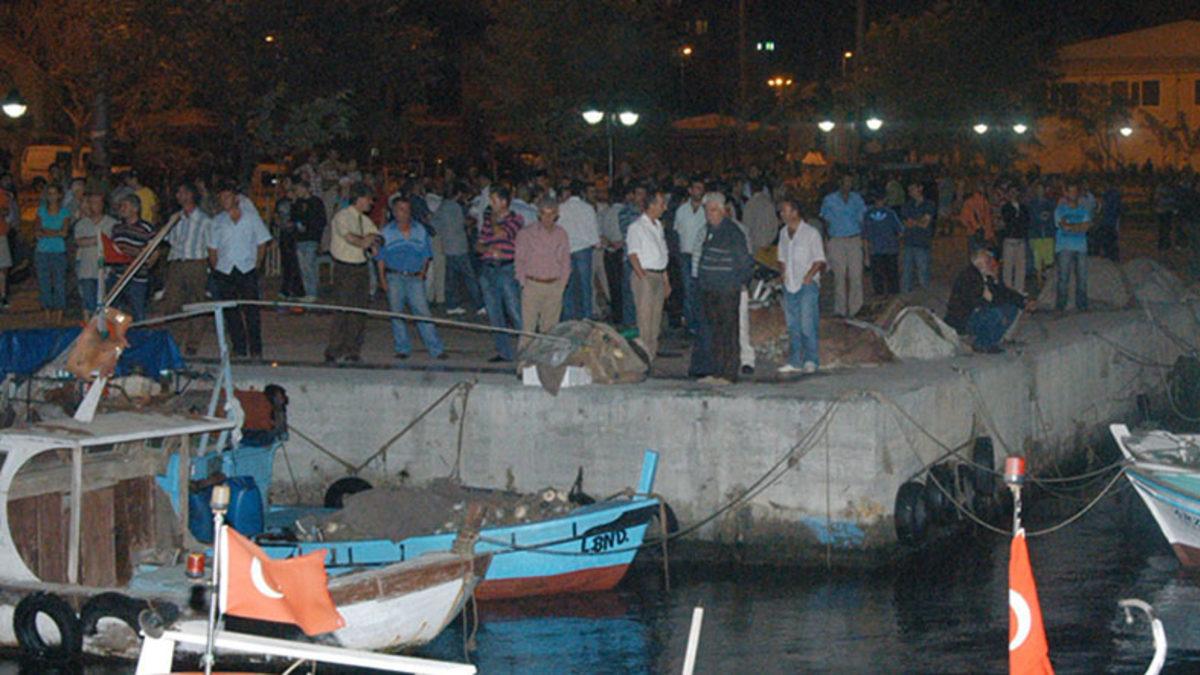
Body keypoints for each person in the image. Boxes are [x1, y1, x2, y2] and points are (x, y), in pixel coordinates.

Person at [375, 194, 445, 360]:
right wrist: (382, 280)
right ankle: (402, 348)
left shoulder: (419, 230)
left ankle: (436, 349)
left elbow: (427, 255)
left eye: (407, 210)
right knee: (397, 313)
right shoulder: (386, 232)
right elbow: (380, 259)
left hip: (414, 277)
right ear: (394, 212)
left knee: (423, 313)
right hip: (394, 276)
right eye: (400, 209)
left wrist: (422, 273)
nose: (404, 213)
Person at [208, 182, 272, 359]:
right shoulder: (217, 221)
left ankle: (256, 349)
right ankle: (239, 347)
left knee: (251, 311)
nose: (224, 201)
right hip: (225, 270)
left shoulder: (251, 217)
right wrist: (217, 268)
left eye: (227, 197)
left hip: (246, 268)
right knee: (231, 312)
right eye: (221, 198)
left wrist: (257, 265)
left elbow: (262, 242)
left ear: (236, 198)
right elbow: (212, 248)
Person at [696, 192, 753, 384]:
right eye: (706, 210)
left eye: (712, 210)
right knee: (715, 333)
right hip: (710, 289)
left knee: (728, 331)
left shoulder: (732, 232)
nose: (708, 214)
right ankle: (716, 371)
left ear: (722, 210)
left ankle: (728, 373)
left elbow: (744, 262)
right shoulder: (710, 230)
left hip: (727, 289)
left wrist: (737, 283)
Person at [324, 182, 381, 364]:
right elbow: (353, 239)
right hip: (345, 268)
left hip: (361, 267)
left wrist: (373, 241)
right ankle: (334, 350)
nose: (371, 203)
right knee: (343, 309)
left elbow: (377, 238)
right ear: (360, 198)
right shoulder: (343, 217)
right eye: (369, 199)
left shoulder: (365, 220)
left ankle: (353, 350)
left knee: (359, 311)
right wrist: (368, 241)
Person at [945, 249, 1033, 353]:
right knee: (996, 313)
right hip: (963, 319)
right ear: (979, 263)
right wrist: (997, 307)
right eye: (988, 261)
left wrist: (1023, 302)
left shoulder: (985, 275)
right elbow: (980, 302)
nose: (991, 264)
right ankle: (981, 344)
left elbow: (1003, 292)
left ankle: (990, 342)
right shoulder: (969, 276)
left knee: (1011, 308)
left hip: (976, 313)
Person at [515, 197, 571, 355]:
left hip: (554, 286)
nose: (548, 218)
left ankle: (545, 364)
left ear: (557, 214)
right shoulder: (526, 233)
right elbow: (519, 259)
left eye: (551, 214)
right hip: (532, 284)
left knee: (550, 329)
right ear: (538, 214)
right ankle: (523, 363)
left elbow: (565, 260)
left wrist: (562, 284)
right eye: (544, 214)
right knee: (528, 329)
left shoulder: (561, 234)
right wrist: (523, 282)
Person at [162, 181, 212, 355]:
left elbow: (211, 244)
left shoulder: (204, 220)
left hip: (196, 263)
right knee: (173, 303)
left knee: (196, 302)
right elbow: (169, 241)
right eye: (178, 193)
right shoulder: (176, 218)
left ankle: (193, 342)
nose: (178, 196)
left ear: (191, 195)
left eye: (182, 192)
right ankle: (173, 341)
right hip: (177, 263)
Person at [776, 197, 826, 374]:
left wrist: (809, 276)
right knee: (793, 324)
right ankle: (795, 360)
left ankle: (811, 359)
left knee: (807, 322)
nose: (782, 214)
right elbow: (781, 256)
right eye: (781, 211)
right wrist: (782, 273)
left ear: (795, 212)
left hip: (807, 284)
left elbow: (819, 259)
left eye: (785, 210)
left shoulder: (811, 233)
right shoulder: (783, 233)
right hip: (790, 284)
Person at [476, 186, 524, 362]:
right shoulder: (488, 222)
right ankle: (504, 351)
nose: (491, 204)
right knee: (494, 311)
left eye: (494, 200)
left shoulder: (516, 219)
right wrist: (487, 248)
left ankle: (527, 349)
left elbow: (502, 233)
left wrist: (493, 219)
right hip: (488, 268)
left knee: (514, 309)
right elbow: (478, 245)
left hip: (505, 268)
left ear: (504, 202)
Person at [626, 190, 671, 363]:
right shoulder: (636, 227)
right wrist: (642, 277)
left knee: (655, 321)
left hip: (658, 275)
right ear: (651, 205)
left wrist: (666, 280)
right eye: (661, 204)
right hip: (645, 275)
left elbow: (663, 253)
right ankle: (643, 357)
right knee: (644, 320)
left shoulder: (658, 226)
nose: (664, 208)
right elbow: (633, 255)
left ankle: (650, 356)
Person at [819, 175, 866, 318]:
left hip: (854, 239)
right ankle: (840, 310)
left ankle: (856, 309)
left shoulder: (857, 199)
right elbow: (825, 221)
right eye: (846, 182)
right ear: (840, 183)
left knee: (856, 275)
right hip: (837, 240)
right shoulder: (829, 200)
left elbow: (862, 219)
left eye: (850, 182)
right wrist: (828, 242)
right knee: (839, 276)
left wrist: (863, 241)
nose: (848, 184)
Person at [433, 182, 482, 316]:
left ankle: (452, 304)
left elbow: (435, 224)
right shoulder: (455, 207)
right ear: (458, 193)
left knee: (451, 278)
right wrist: (473, 221)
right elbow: (463, 223)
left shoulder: (441, 206)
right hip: (459, 247)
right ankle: (480, 304)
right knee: (470, 276)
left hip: (447, 246)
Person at [109, 193, 157, 321]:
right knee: (113, 309)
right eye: (121, 206)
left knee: (138, 309)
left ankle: (141, 334)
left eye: (125, 206)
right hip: (118, 276)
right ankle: (119, 334)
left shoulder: (146, 228)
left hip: (137, 277)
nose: (121, 209)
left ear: (135, 209)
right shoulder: (117, 228)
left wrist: (146, 267)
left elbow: (154, 252)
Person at [556, 181, 600, 321]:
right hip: (583, 249)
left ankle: (568, 317)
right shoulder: (588, 208)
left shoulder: (561, 208)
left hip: (566, 250)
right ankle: (586, 316)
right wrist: (596, 243)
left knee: (567, 286)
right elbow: (593, 230)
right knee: (585, 285)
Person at [72, 189, 115, 315]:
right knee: (88, 301)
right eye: (91, 203)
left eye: (97, 202)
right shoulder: (81, 224)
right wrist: (99, 239)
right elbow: (79, 242)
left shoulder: (112, 223)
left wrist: (91, 240)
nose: (93, 206)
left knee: (105, 302)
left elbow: (112, 243)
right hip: (86, 269)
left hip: (105, 270)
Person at [673, 178, 707, 333]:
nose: (698, 191)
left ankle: (701, 322)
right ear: (690, 190)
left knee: (700, 289)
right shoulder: (682, 210)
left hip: (701, 256)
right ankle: (690, 323)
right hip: (685, 254)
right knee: (688, 289)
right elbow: (678, 231)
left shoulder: (707, 210)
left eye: (701, 188)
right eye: (696, 188)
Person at [35, 183, 71, 322]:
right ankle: (47, 314)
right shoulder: (41, 211)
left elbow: (64, 232)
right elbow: (38, 231)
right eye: (49, 193)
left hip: (58, 251)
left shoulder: (64, 212)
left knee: (59, 283)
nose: (52, 197)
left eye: (54, 193)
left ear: (60, 195)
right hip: (42, 251)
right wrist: (55, 232)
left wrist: (47, 231)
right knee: (44, 283)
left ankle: (59, 315)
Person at [1054, 182, 1092, 313]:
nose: (1073, 194)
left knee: (1082, 278)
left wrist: (1072, 227)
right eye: (1070, 191)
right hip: (1064, 248)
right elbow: (1063, 226)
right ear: (1065, 193)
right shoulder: (1060, 210)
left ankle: (1082, 305)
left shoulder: (1083, 210)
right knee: (1063, 278)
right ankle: (1060, 306)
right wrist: (1078, 227)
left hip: (1081, 248)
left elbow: (1087, 227)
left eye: (1075, 191)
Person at [290, 179, 326, 301]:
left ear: (306, 189)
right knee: (303, 267)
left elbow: (321, 220)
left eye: (299, 189)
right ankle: (307, 292)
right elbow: (293, 218)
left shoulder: (316, 202)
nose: (297, 192)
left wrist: (317, 236)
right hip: (300, 239)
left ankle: (312, 292)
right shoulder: (298, 202)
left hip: (311, 238)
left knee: (310, 265)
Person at [863, 193, 902, 296]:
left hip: (887, 250)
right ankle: (883, 298)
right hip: (878, 250)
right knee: (881, 280)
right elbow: (865, 236)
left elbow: (900, 231)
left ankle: (890, 299)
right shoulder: (869, 214)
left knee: (890, 279)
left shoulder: (889, 213)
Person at [998, 187, 1031, 294]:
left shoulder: (1023, 207)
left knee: (1020, 267)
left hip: (1020, 239)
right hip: (1010, 240)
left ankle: (1019, 290)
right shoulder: (1006, 207)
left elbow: (1026, 221)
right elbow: (1008, 220)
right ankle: (1007, 290)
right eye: (1011, 192)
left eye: (1015, 191)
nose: (1013, 194)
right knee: (1008, 267)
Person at [1026, 182, 1057, 286]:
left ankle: (1047, 281)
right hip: (1036, 235)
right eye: (1038, 189)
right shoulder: (1031, 204)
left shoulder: (1051, 204)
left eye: (1042, 189)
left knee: (1048, 261)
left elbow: (1052, 219)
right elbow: (1031, 220)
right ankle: (1039, 281)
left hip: (1048, 235)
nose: (1040, 191)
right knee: (1037, 260)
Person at [960, 184, 995, 257]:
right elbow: (989, 219)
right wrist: (990, 233)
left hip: (973, 232)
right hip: (985, 233)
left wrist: (972, 227)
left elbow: (964, 219)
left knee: (974, 256)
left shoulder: (968, 202)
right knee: (985, 257)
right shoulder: (986, 202)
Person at [1094, 184, 1122, 262]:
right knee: (1112, 244)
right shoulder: (1115, 196)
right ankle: (1114, 259)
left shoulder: (1106, 196)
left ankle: (1110, 258)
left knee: (1106, 243)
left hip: (1106, 223)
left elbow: (1100, 211)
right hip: (1112, 224)